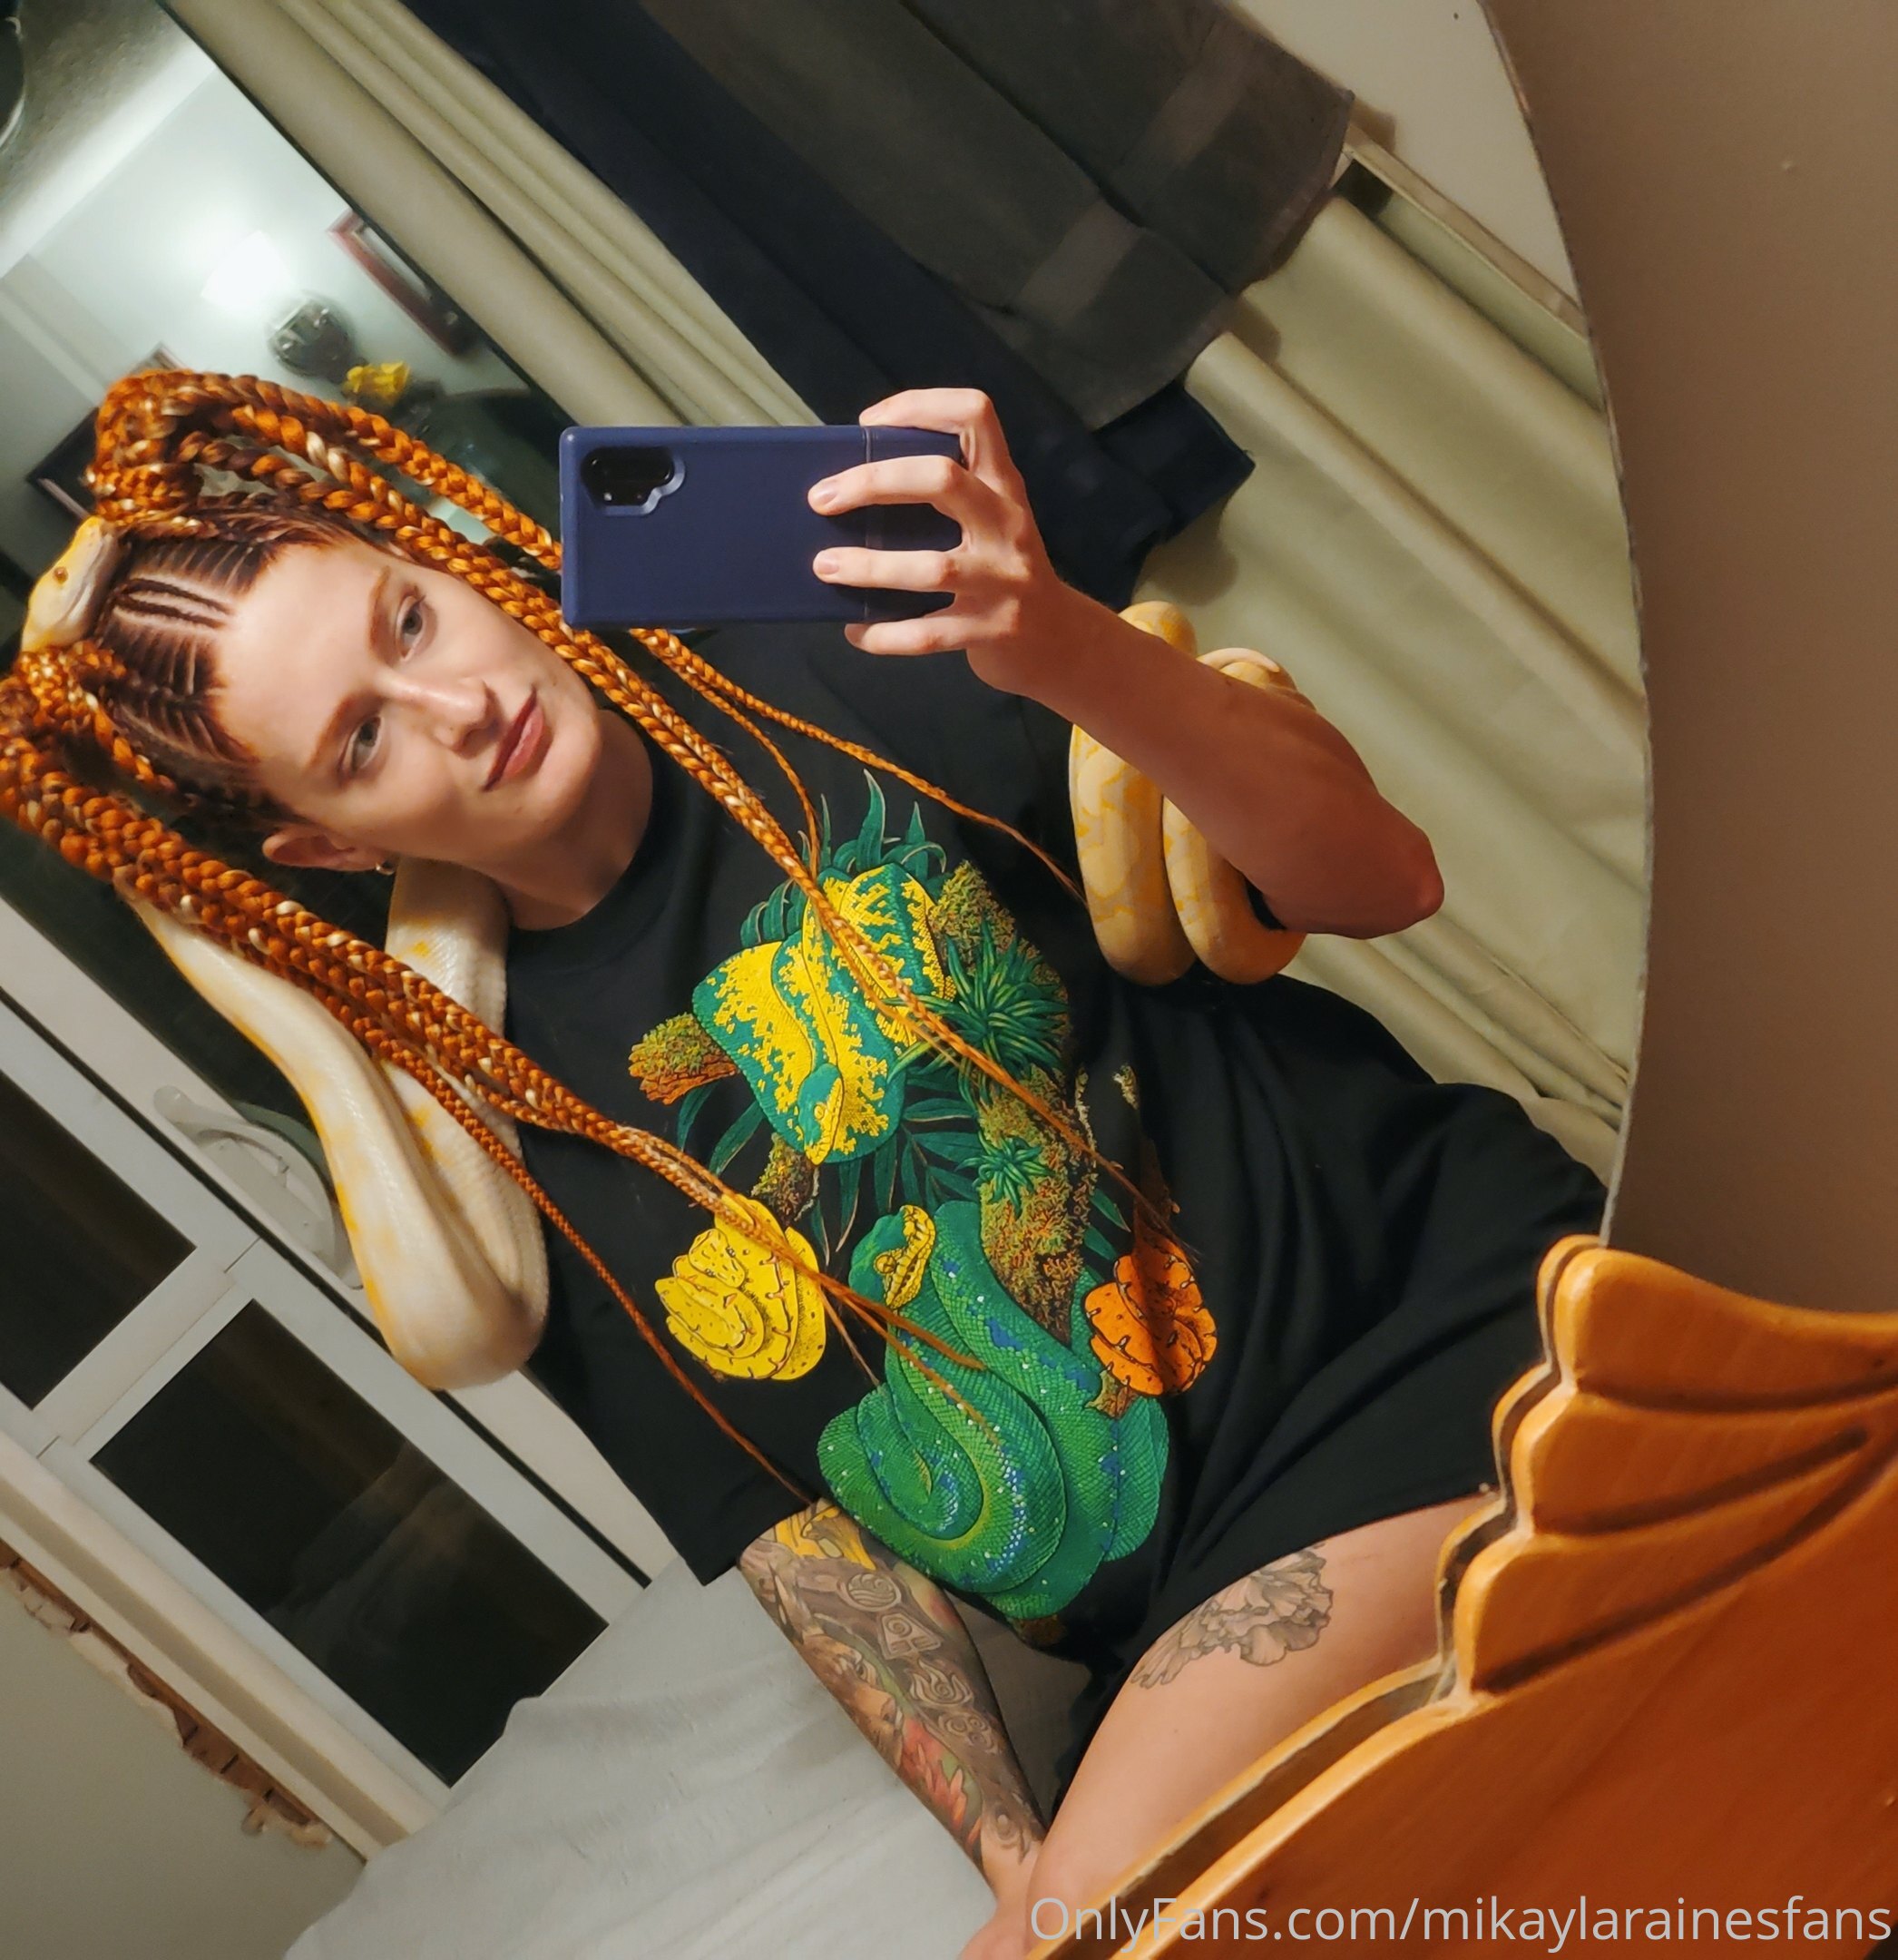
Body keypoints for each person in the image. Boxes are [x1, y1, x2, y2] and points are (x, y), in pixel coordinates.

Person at [5, 370, 1603, 1959]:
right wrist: (1015, 1859)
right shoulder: (497, 1134)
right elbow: (798, 1535)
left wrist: (1059, 641)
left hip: (1428, 1341)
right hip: (1178, 1621)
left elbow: (1382, 877)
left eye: (408, 623)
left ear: (445, 562)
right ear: (329, 849)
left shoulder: (819, 665)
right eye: (361, 742)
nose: (457, 708)